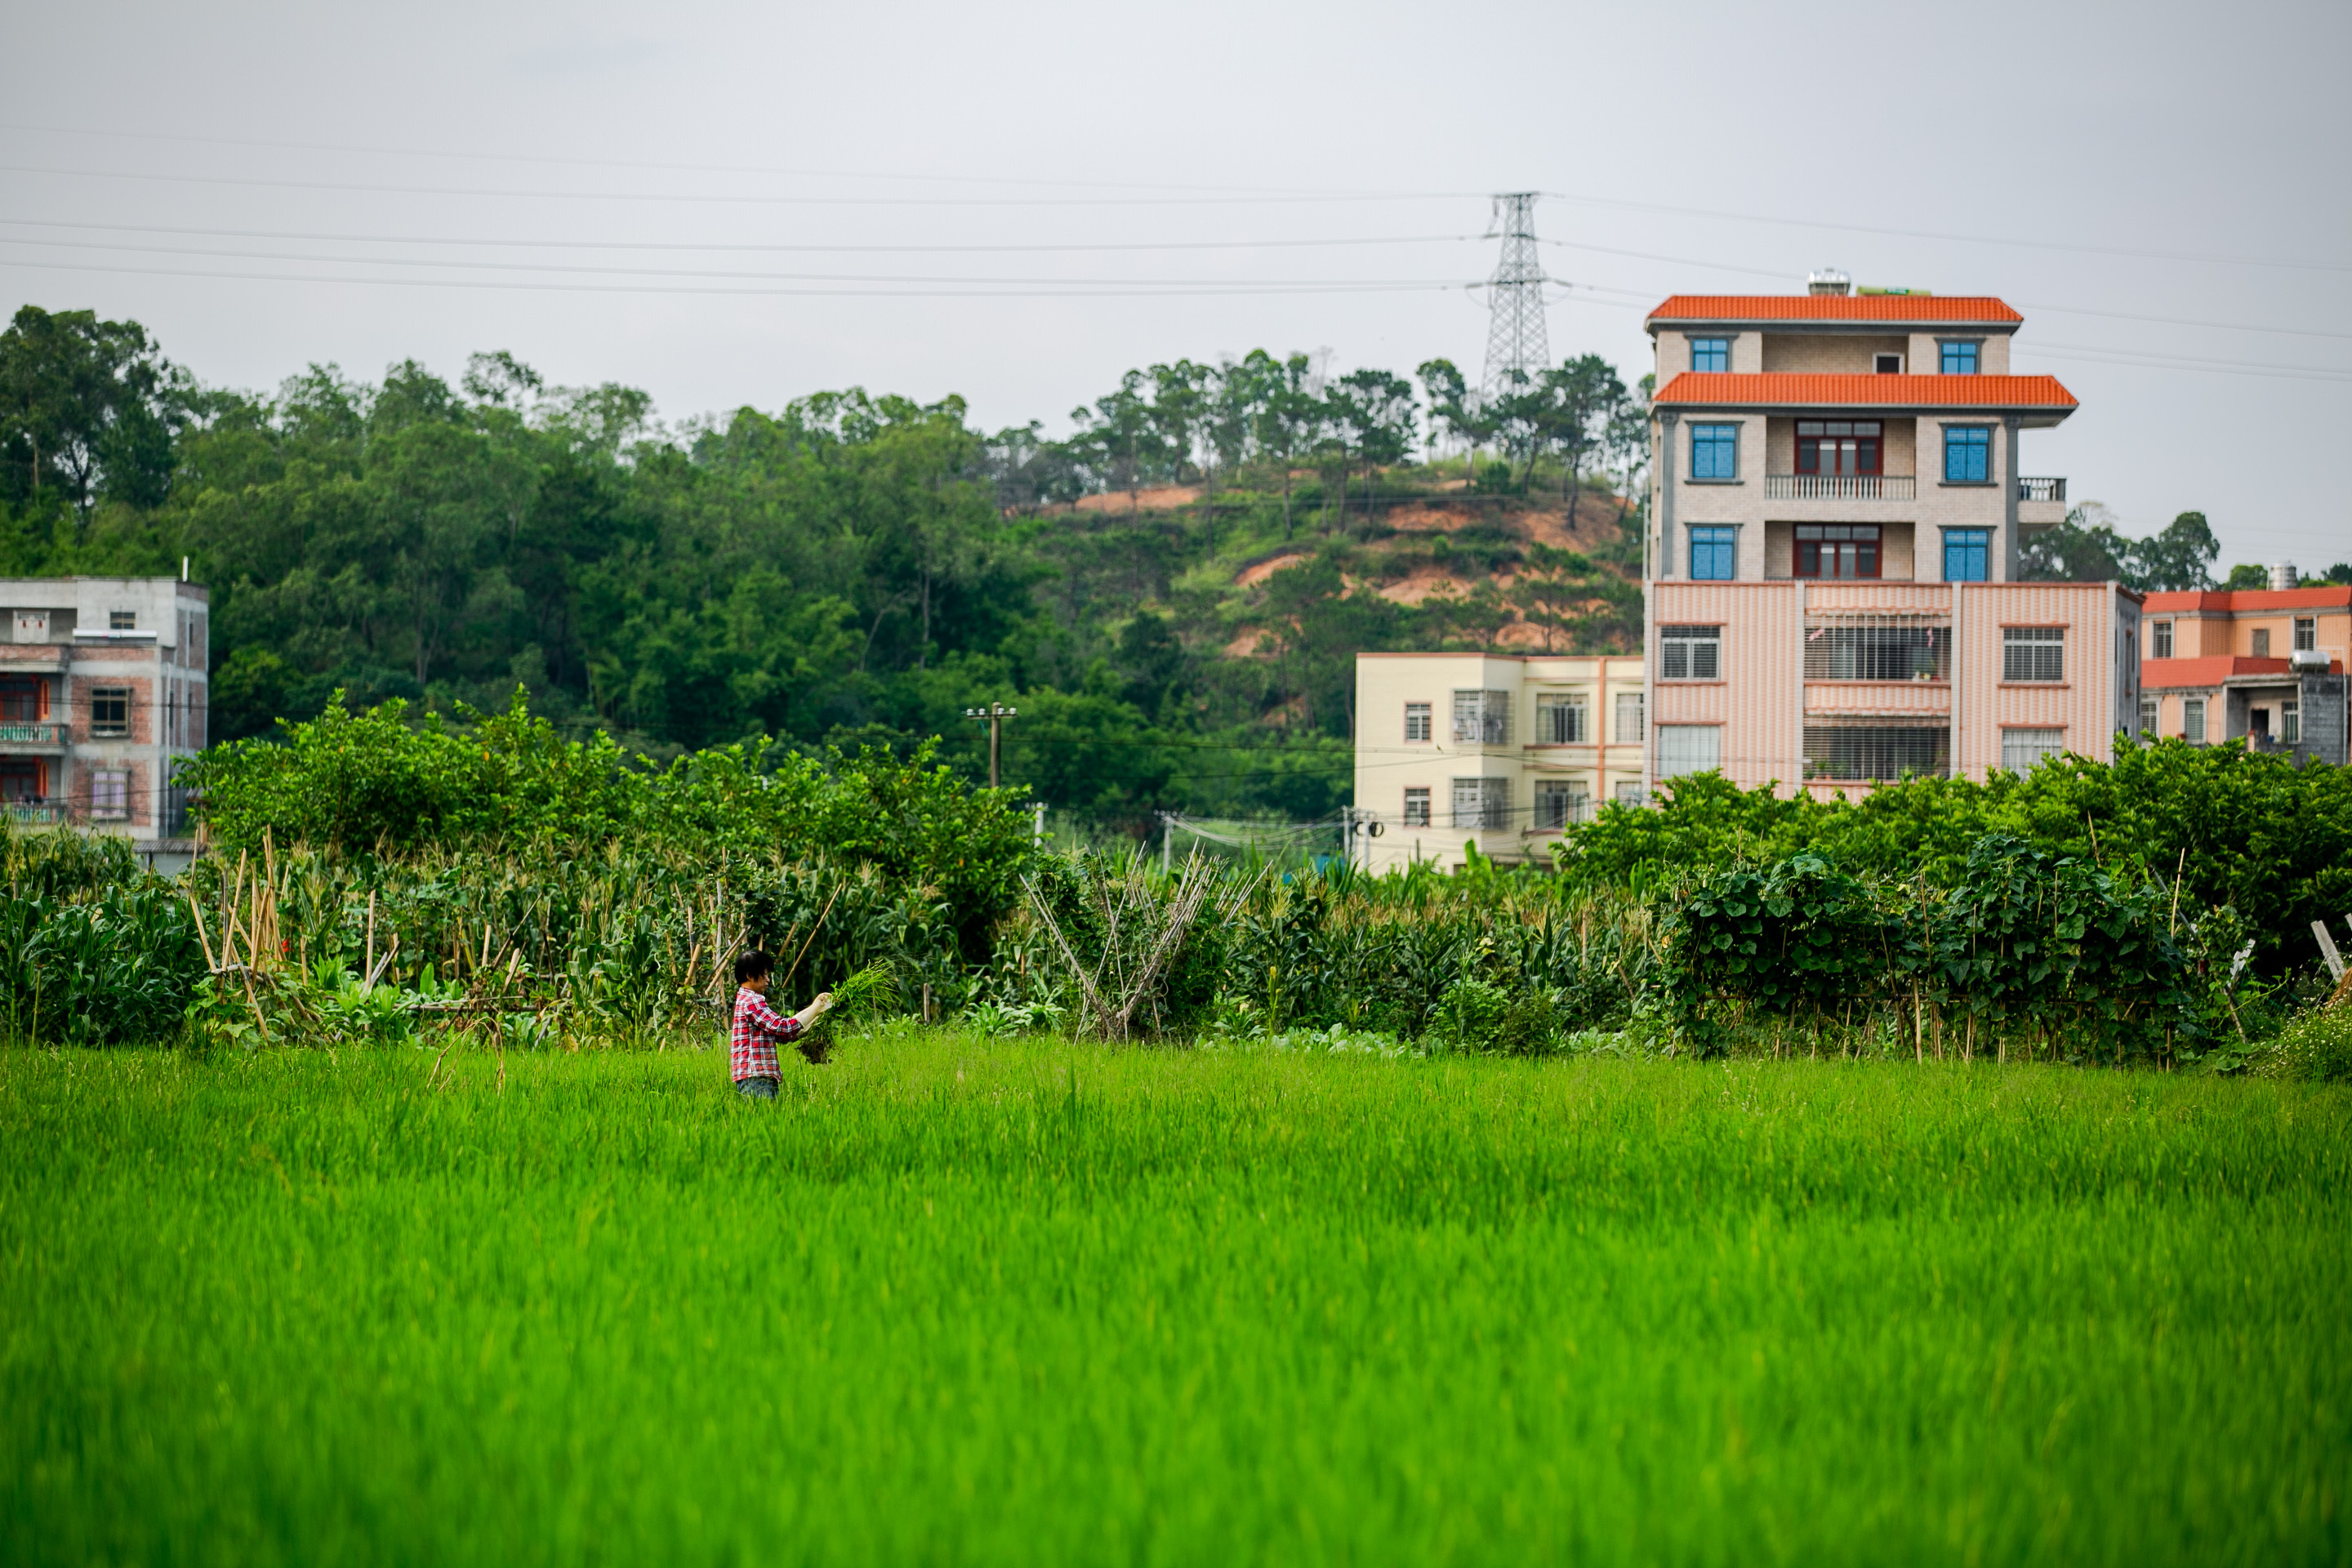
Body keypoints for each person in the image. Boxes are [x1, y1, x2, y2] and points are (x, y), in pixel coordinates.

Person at [730, 950, 833, 1099]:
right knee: (764, 1119)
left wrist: (815, 1019)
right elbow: (783, 1028)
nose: (768, 980)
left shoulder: (745, 999)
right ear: (749, 976)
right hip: (757, 1077)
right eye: (764, 974)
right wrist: (816, 1007)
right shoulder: (752, 1001)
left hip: (755, 1076)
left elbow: (782, 1035)